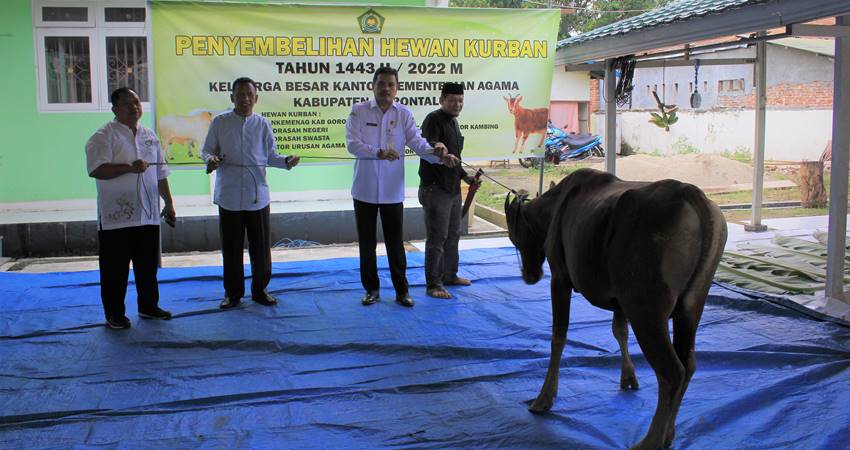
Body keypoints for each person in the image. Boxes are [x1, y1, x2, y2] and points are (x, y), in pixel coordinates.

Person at [346, 66, 458, 308]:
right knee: (366, 243)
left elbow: (418, 143)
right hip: (364, 190)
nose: (386, 88)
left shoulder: (404, 114)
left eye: (391, 85)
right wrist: (378, 152)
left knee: (395, 244)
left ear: (397, 89)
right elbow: (352, 144)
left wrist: (439, 156)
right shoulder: (358, 111)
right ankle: (372, 289)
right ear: (373, 86)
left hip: (391, 191)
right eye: (381, 84)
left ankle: (402, 291)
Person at [202, 77, 300, 310]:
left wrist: (286, 161)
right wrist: (211, 160)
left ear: (256, 98)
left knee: (260, 247)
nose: (245, 99)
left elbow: (270, 156)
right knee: (232, 247)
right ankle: (233, 293)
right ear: (232, 97)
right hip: (229, 196)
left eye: (249, 95)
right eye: (240, 94)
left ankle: (260, 290)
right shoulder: (220, 123)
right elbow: (206, 150)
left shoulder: (263, 124)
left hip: (258, 196)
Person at [85, 87, 176, 329]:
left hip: (147, 214)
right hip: (117, 217)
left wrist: (168, 202)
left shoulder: (149, 135)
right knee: (115, 270)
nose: (134, 106)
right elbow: (96, 169)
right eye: (126, 103)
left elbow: (160, 173)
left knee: (147, 267)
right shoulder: (103, 136)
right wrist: (129, 167)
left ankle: (148, 307)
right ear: (115, 109)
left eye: (136, 101)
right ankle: (114, 313)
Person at [418, 82, 478, 299]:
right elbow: (428, 145)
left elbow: (455, 158)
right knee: (437, 238)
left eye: (460, 100)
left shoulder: (453, 122)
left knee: (453, 234)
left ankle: (450, 275)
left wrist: (465, 176)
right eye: (452, 100)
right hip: (435, 189)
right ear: (441, 100)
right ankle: (433, 285)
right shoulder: (433, 119)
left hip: (452, 189)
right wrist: (439, 149)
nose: (457, 104)